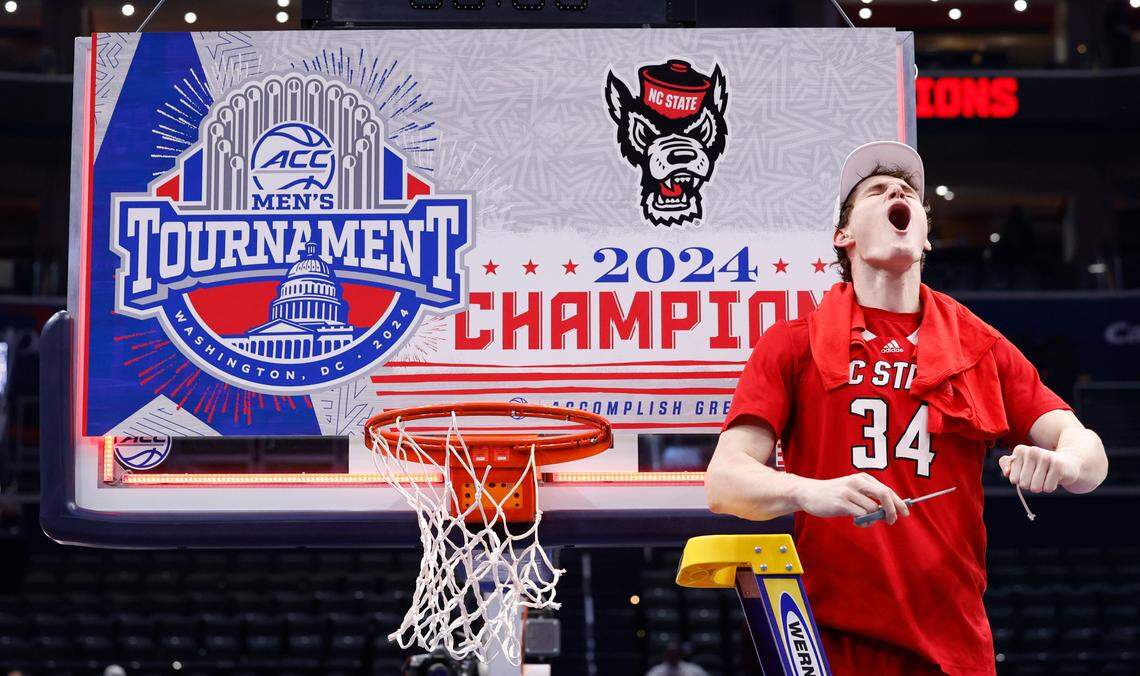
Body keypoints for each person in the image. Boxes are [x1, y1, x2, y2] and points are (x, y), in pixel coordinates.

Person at [705, 141, 1108, 676]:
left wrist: (1066, 463)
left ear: (924, 236)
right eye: (876, 191)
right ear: (842, 236)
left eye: (909, 194)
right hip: (831, 639)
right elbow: (724, 482)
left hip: (953, 641)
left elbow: (1090, 456)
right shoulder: (793, 343)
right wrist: (810, 490)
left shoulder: (978, 346)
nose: (897, 192)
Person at [645, 643, 709, 676]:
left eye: (676, 655)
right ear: (666, 656)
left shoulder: (693, 670)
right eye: (671, 655)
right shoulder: (657, 671)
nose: (673, 657)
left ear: (681, 655)